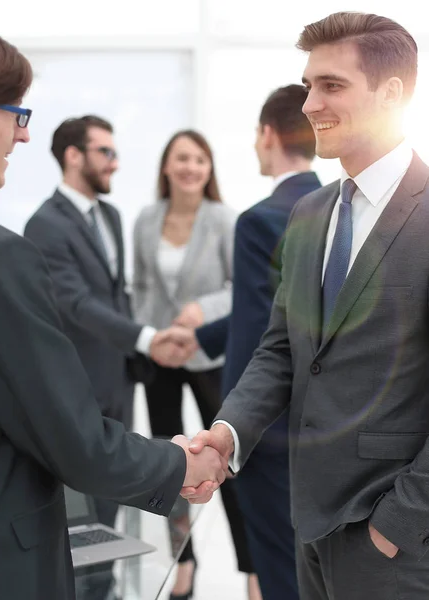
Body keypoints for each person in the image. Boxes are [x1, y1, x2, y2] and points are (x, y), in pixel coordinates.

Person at [0, 26, 225, 600]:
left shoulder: (110, 219)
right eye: (15, 113)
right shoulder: (3, 251)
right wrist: (175, 463)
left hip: (108, 389)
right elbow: (76, 442)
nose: (22, 133)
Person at [184, 11, 429, 600]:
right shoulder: (309, 214)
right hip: (309, 522)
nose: (310, 102)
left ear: (393, 92)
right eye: (309, 84)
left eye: (331, 85)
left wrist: (396, 527)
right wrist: (226, 434)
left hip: (396, 540)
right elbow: (281, 350)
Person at [24, 116, 194, 600]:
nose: (115, 163)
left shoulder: (112, 216)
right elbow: (75, 303)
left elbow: (117, 295)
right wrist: (145, 337)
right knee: (79, 522)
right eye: (105, 152)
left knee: (113, 511)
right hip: (77, 387)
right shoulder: (45, 224)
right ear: (74, 155)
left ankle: (104, 592)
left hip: (117, 382)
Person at [196, 84, 321, 599]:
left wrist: (233, 429)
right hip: (320, 424)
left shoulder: (259, 219)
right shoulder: (334, 210)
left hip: (265, 436)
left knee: (277, 566)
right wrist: (199, 335)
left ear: (268, 134)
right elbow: (290, 314)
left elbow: (258, 339)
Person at [132, 130, 254, 599]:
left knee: (226, 462)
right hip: (162, 356)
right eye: (182, 158)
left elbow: (239, 286)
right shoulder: (146, 219)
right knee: (170, 464)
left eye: (200, 160)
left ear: (209, 169)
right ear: (166, 166)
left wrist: (199, 313)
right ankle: (183, 563)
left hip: (210, 356)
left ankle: (252, 570)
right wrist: (155, 338)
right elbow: (140, 286)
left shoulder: (224, 219)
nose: (190, 167)